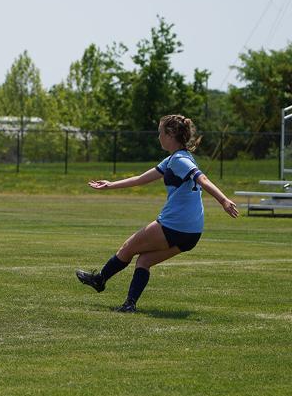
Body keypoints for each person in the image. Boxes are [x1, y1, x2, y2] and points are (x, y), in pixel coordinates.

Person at [75, 114, 239, 312]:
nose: (158, 137)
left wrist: (223, 200)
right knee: (144, 260)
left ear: (170, 134)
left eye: (160, 132)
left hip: (174, 225)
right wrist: (110, 185)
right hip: (192, 232)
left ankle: (100, 280)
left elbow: (201, 178)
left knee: (127, 248)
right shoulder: (175, 159)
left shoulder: (180, 160)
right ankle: (129, 305)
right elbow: (140, 179)